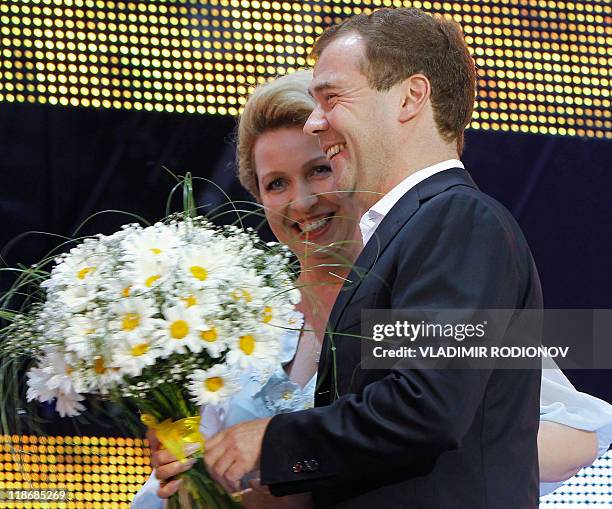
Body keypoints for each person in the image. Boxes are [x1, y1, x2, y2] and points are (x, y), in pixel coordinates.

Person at [133, 34, 612, 509]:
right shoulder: (240, 320)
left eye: (319, 170)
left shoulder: (421, 272)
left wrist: (298, 463)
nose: (301, 199)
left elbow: (573, 432)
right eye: (276, 183)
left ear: (347, 161)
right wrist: (193, 463)